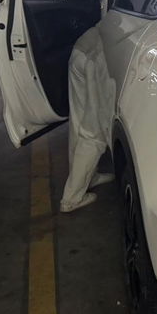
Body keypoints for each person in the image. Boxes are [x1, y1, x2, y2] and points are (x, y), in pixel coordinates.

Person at [60, 26, 116, 213]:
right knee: (94, 134)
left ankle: (90, 177)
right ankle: (71, 199)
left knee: (79, 124)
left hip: (81, 52)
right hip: (95, 59)